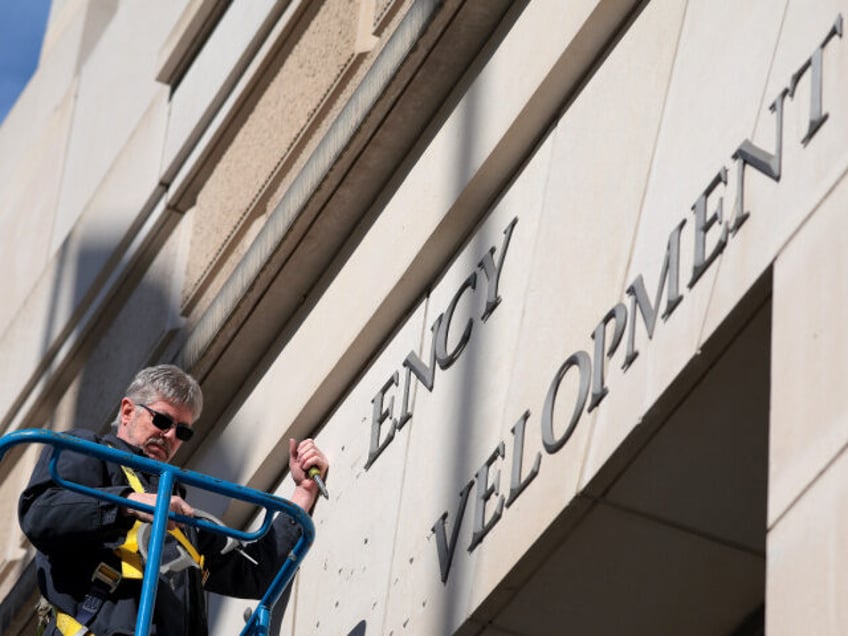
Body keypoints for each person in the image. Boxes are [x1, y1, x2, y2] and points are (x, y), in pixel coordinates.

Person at [18, 364, 328, 636]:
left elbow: (256, 574)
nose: (170, 437)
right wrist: (130, 503)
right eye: (162, 422)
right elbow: (40, 513)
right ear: (127, 411)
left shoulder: (182, 519)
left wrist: (303, 492)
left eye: (182, 432)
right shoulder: (88, 452)